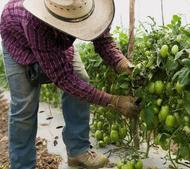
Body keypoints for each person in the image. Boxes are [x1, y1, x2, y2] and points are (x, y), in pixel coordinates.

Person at [0, 0, 139, 168]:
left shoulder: (88, 8)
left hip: (54, 40)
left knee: (81, 77)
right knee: (24, 107)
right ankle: (22, 165)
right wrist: (114, 101)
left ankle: (77, 150)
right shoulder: (35, 20)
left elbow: (102, 40)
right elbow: (64, 79)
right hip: (18, 41)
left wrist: (123, 64)